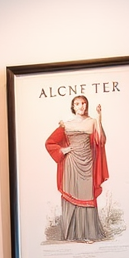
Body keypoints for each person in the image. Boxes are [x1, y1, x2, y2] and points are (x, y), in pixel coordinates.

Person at [45, 95, 108, 243]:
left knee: (87, 196)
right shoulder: (66, 125)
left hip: (87, 163)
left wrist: (99, 117)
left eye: (84, 103)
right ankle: (71, 234)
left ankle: (87, 234)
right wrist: (63, 150)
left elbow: (101, 140)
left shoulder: (92, 122)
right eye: (77, 104)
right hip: (71, 164)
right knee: (72, 196)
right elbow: (49, 142)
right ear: (73, 106)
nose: (81, 106)